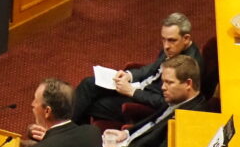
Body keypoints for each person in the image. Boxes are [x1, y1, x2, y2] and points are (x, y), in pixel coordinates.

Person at [72, 12, 203, 126]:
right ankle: (73, 131)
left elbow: (168, 102)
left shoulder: (190, 66)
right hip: (138, 86)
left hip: (143, 103)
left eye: (171, 40)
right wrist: (129, 76)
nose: (166, 46)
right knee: (88, 84)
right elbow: (153, 68)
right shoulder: (174, 48)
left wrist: (132, 91)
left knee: (90, 103)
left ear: (186, 39)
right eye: (163, 40)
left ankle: (70, 133)